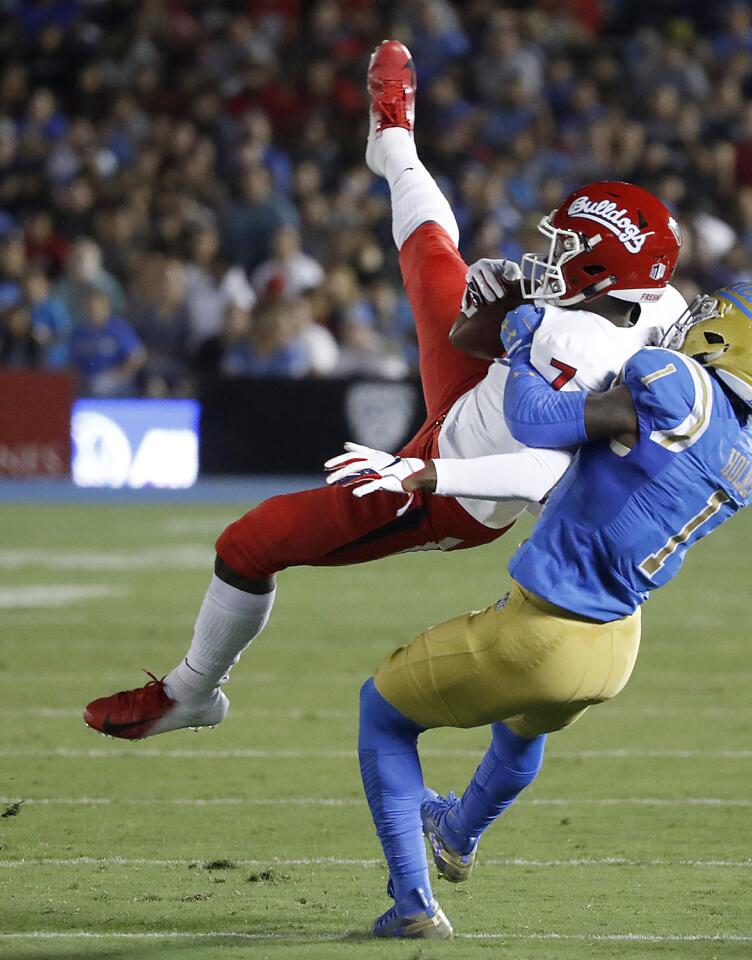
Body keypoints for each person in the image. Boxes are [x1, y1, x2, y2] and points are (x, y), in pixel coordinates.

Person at [83, 41, 686, 740]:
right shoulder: (655, 305)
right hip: (480, 394)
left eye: (569, 255)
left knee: (248, 545)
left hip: (458, 492)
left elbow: (535, 472)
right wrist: (498, 318)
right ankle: (393, 136)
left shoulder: (588, 351)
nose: (550, 260)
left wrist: (423, 472)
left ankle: (191, 693)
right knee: (432, 246)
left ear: (608, 279)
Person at [340, 279, 752, 938]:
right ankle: (456, 835)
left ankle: (413, 907)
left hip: (545, 629)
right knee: (522, 728)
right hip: (616, 643)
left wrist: (520, 348)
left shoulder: (672, 380)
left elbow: (537, 422)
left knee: (383, 711)